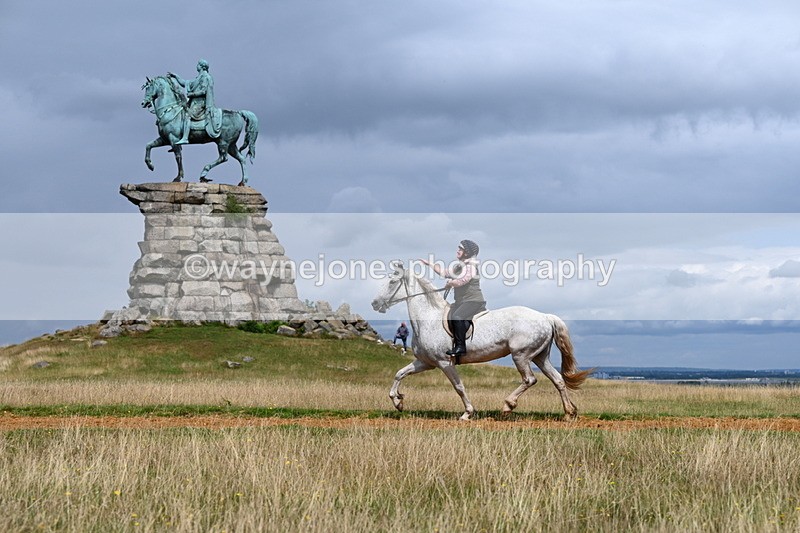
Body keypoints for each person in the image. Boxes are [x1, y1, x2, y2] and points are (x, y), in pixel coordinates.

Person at [422, 239, 486, 358]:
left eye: (460, 249)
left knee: (457, 316)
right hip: (462, 301)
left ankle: (461, 347)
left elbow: (462, 281)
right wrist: (429, 264)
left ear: (466, 253)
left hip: (473, 301)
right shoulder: (459, 267)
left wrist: (451, 283)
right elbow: (444, 273)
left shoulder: (470, 267)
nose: (458, 251)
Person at [168, 59, 220, 143]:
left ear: (202, 67)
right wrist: (176, 76)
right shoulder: (198, 78)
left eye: (198, 64)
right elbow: (185, 83)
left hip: (200, 104)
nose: (197, 66)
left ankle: (185, 138)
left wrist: (192, 94)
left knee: (187, 115)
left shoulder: (205, 77)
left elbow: (204, 91)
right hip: (194, 103)